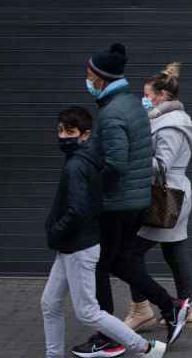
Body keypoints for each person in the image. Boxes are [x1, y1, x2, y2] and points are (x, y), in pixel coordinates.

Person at [71, 43, 189, 357]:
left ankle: (109, 336)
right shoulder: (129, 105)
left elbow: (117, 163)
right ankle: (170, 306)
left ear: (100, 78)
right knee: (120, 261)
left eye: (89, 75)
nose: (86, 79)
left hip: (117, 204)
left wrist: (89, 189)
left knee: (98, 265)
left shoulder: (112, 113)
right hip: (134, 201)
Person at [42, 107, 167, 358]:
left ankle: (145, 348)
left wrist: (56, 231)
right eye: (60, 130)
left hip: (77, 247)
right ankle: (53, 354)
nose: (63, 136)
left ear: (85, 134)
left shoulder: (77, 165)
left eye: (70, 131)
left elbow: (77, 210)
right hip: (71, 246)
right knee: (49, 303)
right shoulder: (86, 159)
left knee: (87, 311)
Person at [124, 62, 192, 331]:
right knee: (175, 251)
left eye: (147, 95)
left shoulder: (171, 125)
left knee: (128, 254)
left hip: (163, 196)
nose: (143, 99)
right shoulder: (165, 119)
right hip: (173, 194)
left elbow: (162, 164)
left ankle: (141, 308)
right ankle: (188, 308)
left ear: (163, 96)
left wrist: (132, 157)